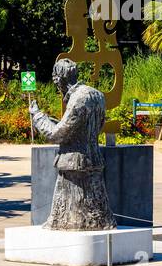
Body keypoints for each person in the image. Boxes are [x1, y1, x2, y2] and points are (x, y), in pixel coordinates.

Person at [28, 58, 113, 231]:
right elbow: (98, 125)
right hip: (93, 159)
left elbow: (56, 134)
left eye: (56, 81)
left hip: (75, 165)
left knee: (72, 218)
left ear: (59, 79)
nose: (57, 87)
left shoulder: (78, 98)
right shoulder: (97, 94)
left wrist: (37, 116)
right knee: (99, 215)